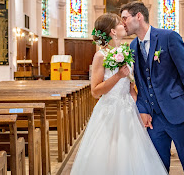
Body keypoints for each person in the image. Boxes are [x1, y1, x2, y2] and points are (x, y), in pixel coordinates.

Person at [70, 13, 168, 175]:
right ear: (113, 32)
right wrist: (118, 76)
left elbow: (130, 87)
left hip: (128, 108)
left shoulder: (126, 52)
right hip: (109, 110)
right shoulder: (100, 56)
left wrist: (138, 108)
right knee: (109, 154)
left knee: (133, 153)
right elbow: (95, 91)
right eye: (120, 24)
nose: (124, 25)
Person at [120, 1, 184, 175]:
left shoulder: (169, 37)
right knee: (158, 167)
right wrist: (142, 109)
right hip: (154, 119)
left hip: (178, 114)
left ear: (139, 16)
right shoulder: (133, 46)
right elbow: (139, 83)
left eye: (125, 18)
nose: (122, 23)